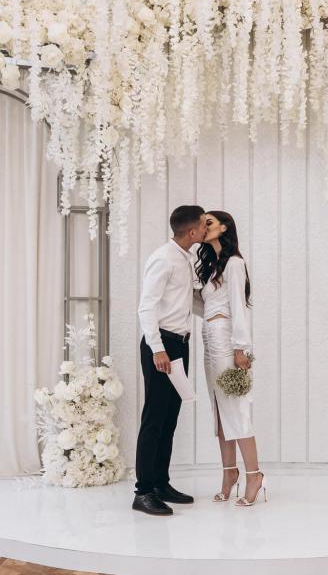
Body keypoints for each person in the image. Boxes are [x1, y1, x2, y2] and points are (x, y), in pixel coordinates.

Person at [133, 205, 207, 516]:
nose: (206, 228)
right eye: (203, 225)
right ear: (192, 231)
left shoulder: (185, 258)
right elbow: (146, 307)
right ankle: (143, 492)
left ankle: (161, 483)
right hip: (162, 346)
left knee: (169, 418)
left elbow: (187, 302)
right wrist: (157, 348)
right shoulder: (163, 258)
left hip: (179, 344)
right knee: (154, 418)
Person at [196, 210, 267, 506]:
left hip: (227, 341)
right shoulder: (212, 267)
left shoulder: (235, 263)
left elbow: (238, 306)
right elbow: (206, 308)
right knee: (219, 411)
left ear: (224, 228)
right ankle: (229, 473)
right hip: (209, 339)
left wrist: (241, 348)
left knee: (236, 409)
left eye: (209, 222)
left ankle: (254, 475)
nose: (203, 227)